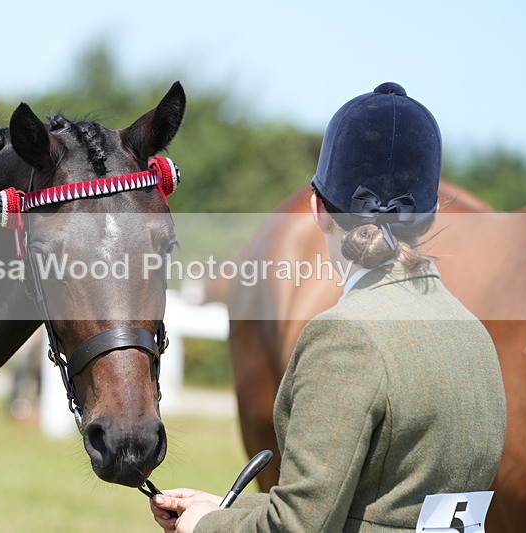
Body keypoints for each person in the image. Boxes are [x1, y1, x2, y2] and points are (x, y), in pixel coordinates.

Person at [150, 82, 507, 532]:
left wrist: (205, 527)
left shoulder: (345, 337)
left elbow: (299, 526)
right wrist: (223, 510)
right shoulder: (476, 336)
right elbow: (384, 507)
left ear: (317, 208)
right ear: (433, 214)